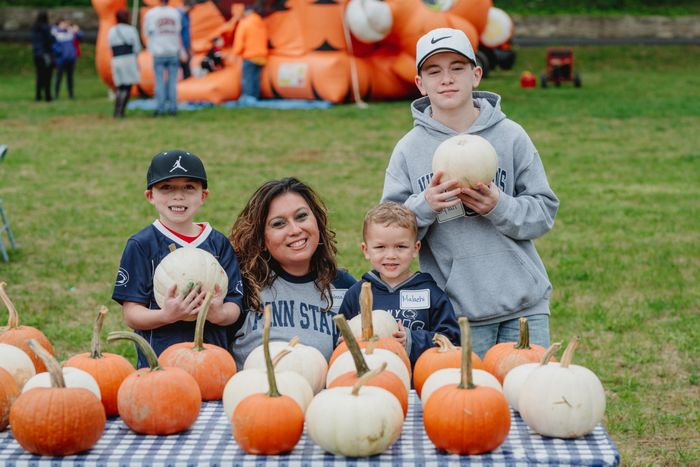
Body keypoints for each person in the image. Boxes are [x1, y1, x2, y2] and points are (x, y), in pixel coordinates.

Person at [381, 28, 559, 357]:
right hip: (455, 313)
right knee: (470, 405)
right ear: (420, 84)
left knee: (530, 399)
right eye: (434, 71)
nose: (446, 78)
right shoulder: (408, 150)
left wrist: (499, 206)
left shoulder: (510, 136)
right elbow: (387, 231)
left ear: (476, 75)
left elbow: (544, 213)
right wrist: (424, 207)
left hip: (524, 306)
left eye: (457, 68)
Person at [112, 150, 244, 368]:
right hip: (161, 366)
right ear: (150, 196)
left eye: (189, 187)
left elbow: (234, 305)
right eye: (166, 187)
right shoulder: (142, 245)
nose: (178, 196)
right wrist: (167, 315)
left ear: (203, 196)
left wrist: (219, 314)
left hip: (213, 363)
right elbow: (131, 313)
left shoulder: (218, 244)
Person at [228, 177, 355, 369]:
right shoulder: (243, 284)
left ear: (317, 221)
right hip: (254, 394)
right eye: (279, 224)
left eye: (301, 216)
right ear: (262, 238)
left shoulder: (343, 286)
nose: (295, 230)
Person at [338, 202, 460, 365]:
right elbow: (339, 335)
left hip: (417, 383)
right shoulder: (357, 294)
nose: (391, 255)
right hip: (370, 379)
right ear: (366, 250)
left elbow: (451, 340)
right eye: (380, 247)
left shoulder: (431, 294)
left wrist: (412, 340)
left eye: (401, 246)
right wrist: (343, 344)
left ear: (415, 248)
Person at [143, 0, 181, 116]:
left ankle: (160, 108)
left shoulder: (151, 13)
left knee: (159, 81)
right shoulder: (175, 13)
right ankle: (173, 108)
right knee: (172, 82)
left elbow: (147, 32)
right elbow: (178, 30)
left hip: (158, 51)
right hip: (173, 50)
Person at [231, 4, 268, 102]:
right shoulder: (261, 22)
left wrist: (235, 53)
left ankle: (248, 97)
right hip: (262, 55)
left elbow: (239, 41)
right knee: (256, 78)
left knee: (247, 77)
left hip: (250, 55)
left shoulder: (245, 23)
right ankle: (255, 96)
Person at [108, 9, 141, 118]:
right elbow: (137, 47)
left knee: (119, 85)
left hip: (116, 59)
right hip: (128, 59)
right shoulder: (131, 30)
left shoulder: (112, 30)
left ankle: (116, 110)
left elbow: (110, 46)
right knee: (127, 86)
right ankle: (121, 111)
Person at [51, 19, 82, 99]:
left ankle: (71, 95)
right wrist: (60, 53)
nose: (64, 25)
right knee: (58, 78)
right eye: (62, 23)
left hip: (71, 59)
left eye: (65, 23)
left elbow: (80, 36)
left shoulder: (70, 32)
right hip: (61, 60)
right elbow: (52, 45)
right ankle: (56, 95)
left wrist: (76, 30)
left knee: (70, 78)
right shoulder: (55, 33)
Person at [31, 11, 54, 102]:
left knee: (39, 76)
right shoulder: (47, 28)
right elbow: (50, 40)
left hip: (37, 54)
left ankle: (38, 95)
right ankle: (48, 96)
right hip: (46, 55)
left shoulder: (34, 28)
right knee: (47, 76)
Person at [178, 2, 192, 80]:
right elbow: (178, 34)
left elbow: (188, 33)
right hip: (180, 47)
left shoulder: (187, 15)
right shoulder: (178, 15)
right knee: (181, 67)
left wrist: (189, 47)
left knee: (187, 69)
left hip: (185, 46)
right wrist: (181, 49)